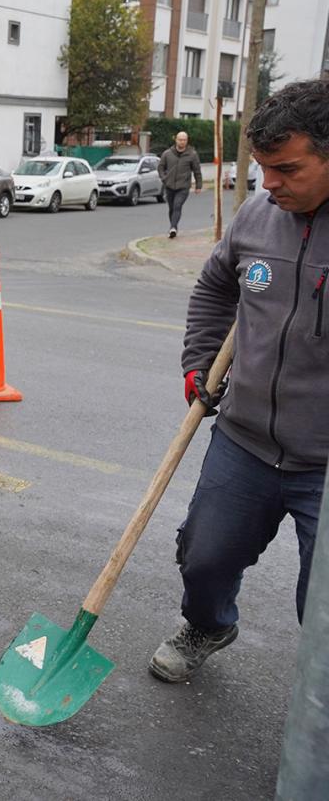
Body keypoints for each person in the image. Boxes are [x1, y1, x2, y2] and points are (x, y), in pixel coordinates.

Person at [150, 79, 329, 684]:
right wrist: (199, 362)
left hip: (324, 462)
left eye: (286, 170)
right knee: (203, 558)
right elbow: (215, 287)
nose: (269, 184)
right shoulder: (258, 214)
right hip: (245, 438)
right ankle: (209, 625)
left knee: (322, 606)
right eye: (261, 169)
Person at [158, 131, 203, 238]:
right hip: (169, 186)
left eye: (184, 140)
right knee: (172, 208)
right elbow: (160, 167)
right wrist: (164, 178)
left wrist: (198, 185)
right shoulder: (167, 153)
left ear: (187, 141)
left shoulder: (192, 154)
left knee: (177, 205)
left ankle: (173, 228)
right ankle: (173, 227)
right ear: (176, 140)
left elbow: (197, 171)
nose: (182, 142)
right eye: (180, 139)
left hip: (183, 186)